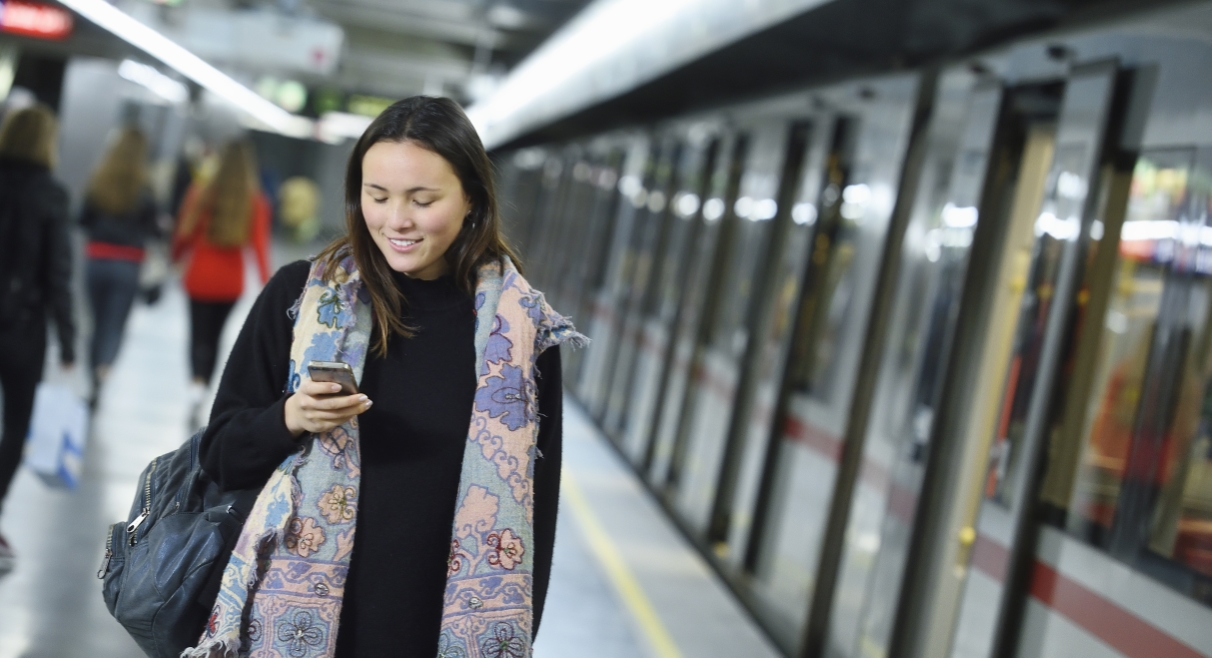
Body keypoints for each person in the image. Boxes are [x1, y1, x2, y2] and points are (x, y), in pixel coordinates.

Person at [185, 96, 583, 657]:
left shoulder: (520, 335)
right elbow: (220, 453)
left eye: (423, 200)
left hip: (434, 632)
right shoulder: (301, 299)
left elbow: (534, 521)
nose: (396, 220)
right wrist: (289, 418)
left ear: (471, 197)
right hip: (289, 625)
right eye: (378, 196)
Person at [0, 104, 76, 568]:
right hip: (23, 328)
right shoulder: (51, 194)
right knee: (16, 426)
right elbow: (57, 272)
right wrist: (68, 338)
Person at [171, 139, 271, 421]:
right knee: (214, 338)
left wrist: (174, 258)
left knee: (197, 334)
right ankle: (203, 390)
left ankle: (196, 382)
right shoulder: (254, 202)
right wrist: (268, 283)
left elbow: (183, 233)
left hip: (198, 277)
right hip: (230, 283)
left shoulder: (200, 193)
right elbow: (260, 246)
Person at [79, 126, 161, 406]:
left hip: (97, 260)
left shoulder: (99, 180)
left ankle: (92, 373)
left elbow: (82, 219)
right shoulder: (146, 188)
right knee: (114, 325)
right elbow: (154, 229)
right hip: (128, 264)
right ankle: (103, 370)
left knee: (97, 323)